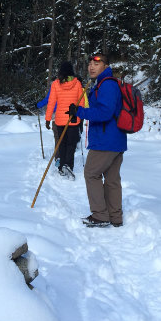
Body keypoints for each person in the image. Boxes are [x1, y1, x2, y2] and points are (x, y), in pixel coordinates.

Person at [68, 52, 126, 227]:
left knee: (91, 173)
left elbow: (104, 113)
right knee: (112, 179)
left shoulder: (107, 85)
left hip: (105, 140)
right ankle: (115, 217)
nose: (91, 67)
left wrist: (79, 112)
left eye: (96, 64)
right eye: (90, 64)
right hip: (115, 139)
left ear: (106, 67)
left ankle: (100, 215)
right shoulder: (102, 84)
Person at [46, 60, 85, 180]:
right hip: (73, 119)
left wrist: (48, 119)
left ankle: (61, 166)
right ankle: (68, 165)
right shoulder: (77, 83)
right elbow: (81, 102)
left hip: (59, 119)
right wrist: (81, 117)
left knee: (62, 142)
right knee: (71, 143)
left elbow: (51, 102)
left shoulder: (55, 84)